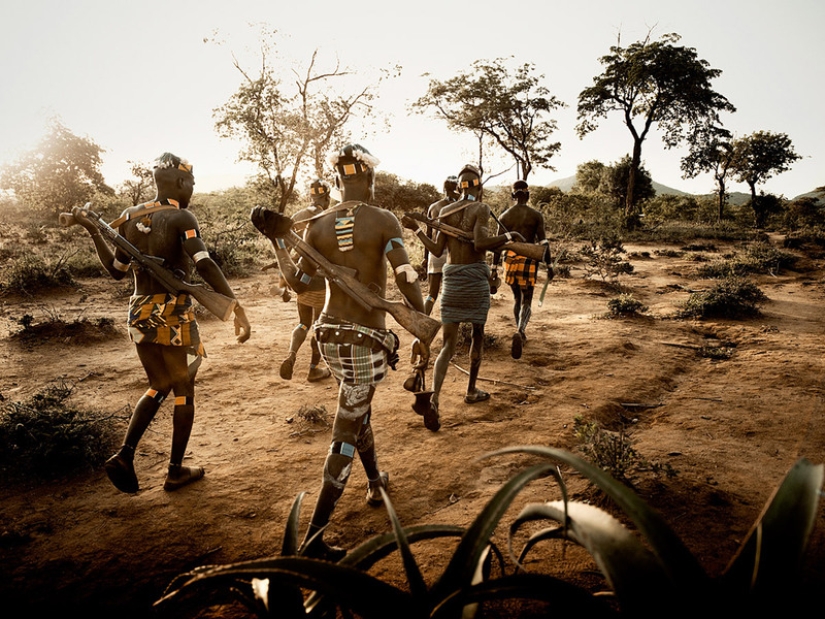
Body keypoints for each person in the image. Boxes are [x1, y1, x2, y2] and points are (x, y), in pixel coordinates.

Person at [251, 144, 426, 561]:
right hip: (365, 340)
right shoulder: (383, 219)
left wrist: (278, 243)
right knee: (344, 430)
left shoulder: (316, 225)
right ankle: (313, 538)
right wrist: (422, 324)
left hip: (327, 336)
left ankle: (374, 481)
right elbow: (404, 275)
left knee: (355, 407)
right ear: (369, 179)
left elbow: (297, 282)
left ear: (336, 181)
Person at [71, 152, 251, 493]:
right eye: (193, 183)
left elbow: (116, 271)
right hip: (173, 312)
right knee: (183, 391)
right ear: (181, 183)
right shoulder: (182, 216)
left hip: (139, 309)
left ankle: (125, 454)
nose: (194, 189)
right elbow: (205, 264)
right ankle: (174, 470)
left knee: (158, 384)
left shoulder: (128, 217)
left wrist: (94, 231)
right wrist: (235, 306)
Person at [402, 164, 523, 432]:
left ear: (459, 188)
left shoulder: (445, 211)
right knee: (478, 335)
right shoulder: (480, 209)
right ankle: (470, 390)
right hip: (475, 279)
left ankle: (434, 400)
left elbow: (435, 250)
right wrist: (507, 236)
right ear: (479, 187)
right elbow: (480, 244)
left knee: (447, 345)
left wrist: (416, 230)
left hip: (453, 279)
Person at [277, 179, 333, 383]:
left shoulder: (297, 216)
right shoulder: (329, 217)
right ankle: (314, 369)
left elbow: (283, 251)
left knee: (303, 323)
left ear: (311, 196)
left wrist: (284, 283)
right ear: (326, 197)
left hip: (301, 278)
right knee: (319, 326)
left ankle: (291, 354)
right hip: (321, 281)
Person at [492, 180, 552, 359]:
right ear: (527, 195)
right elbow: (543, 243)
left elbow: (497, 245)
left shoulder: (504, 216)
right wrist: (549, 265)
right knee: (527, 298)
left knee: (517, 297)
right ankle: (521, 330)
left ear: (513, 196)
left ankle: (520, 330)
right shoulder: (536, 215)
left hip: (509, 260)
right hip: (528, 259)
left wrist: (493, 269)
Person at [422, 176, 460, 316]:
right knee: (453, 293)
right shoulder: (459, 207)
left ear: (444, 189)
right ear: (457, 189)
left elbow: (428, 234)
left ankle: (422, 323)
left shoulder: (433, 207)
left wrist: (425, 257)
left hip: (434, 254)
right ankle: (452, 327)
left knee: (432, 294)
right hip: (452, 255)